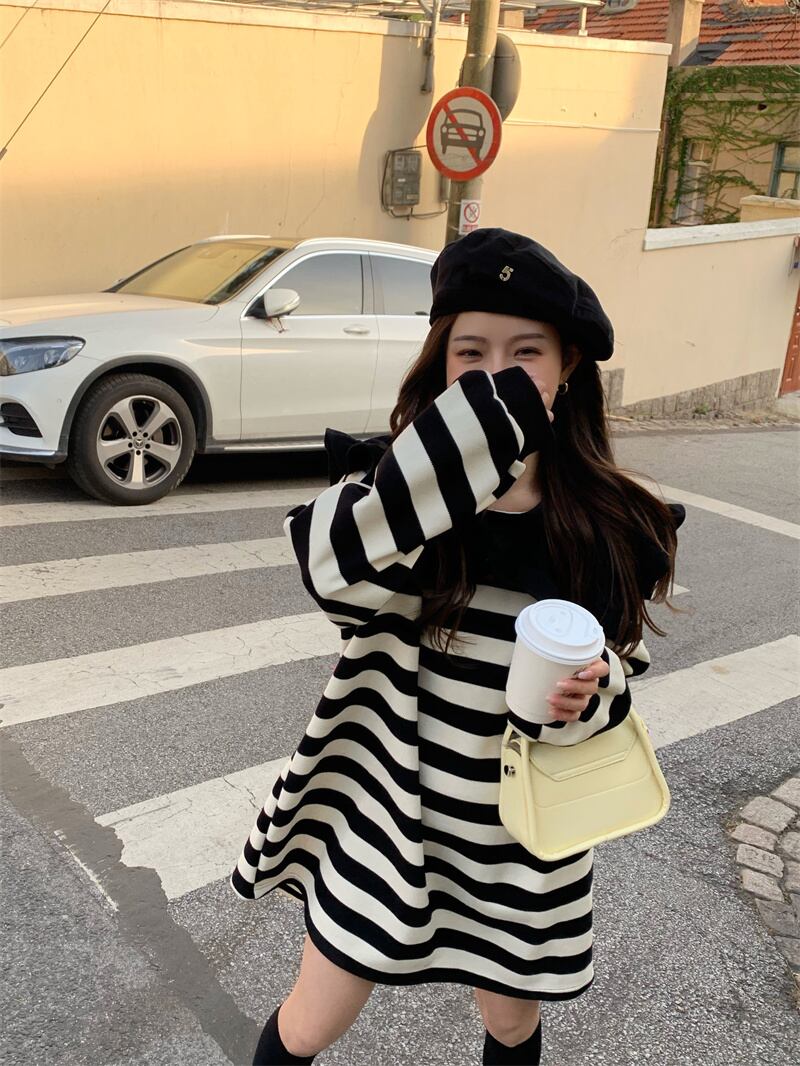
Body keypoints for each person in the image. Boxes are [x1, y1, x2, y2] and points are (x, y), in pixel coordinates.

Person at [230, 228, 686, 1065]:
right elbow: (329, 573)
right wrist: (459, 460)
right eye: (470, 353)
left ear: (567, 365)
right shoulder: (394, 491)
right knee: (309, 1025)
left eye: (525, 353)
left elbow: (622, 671)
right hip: (389, 814)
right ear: (441, 365)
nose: (494, 373)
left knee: (511, 1024)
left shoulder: (609, 523)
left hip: (519, 838)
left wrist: (593, 690)